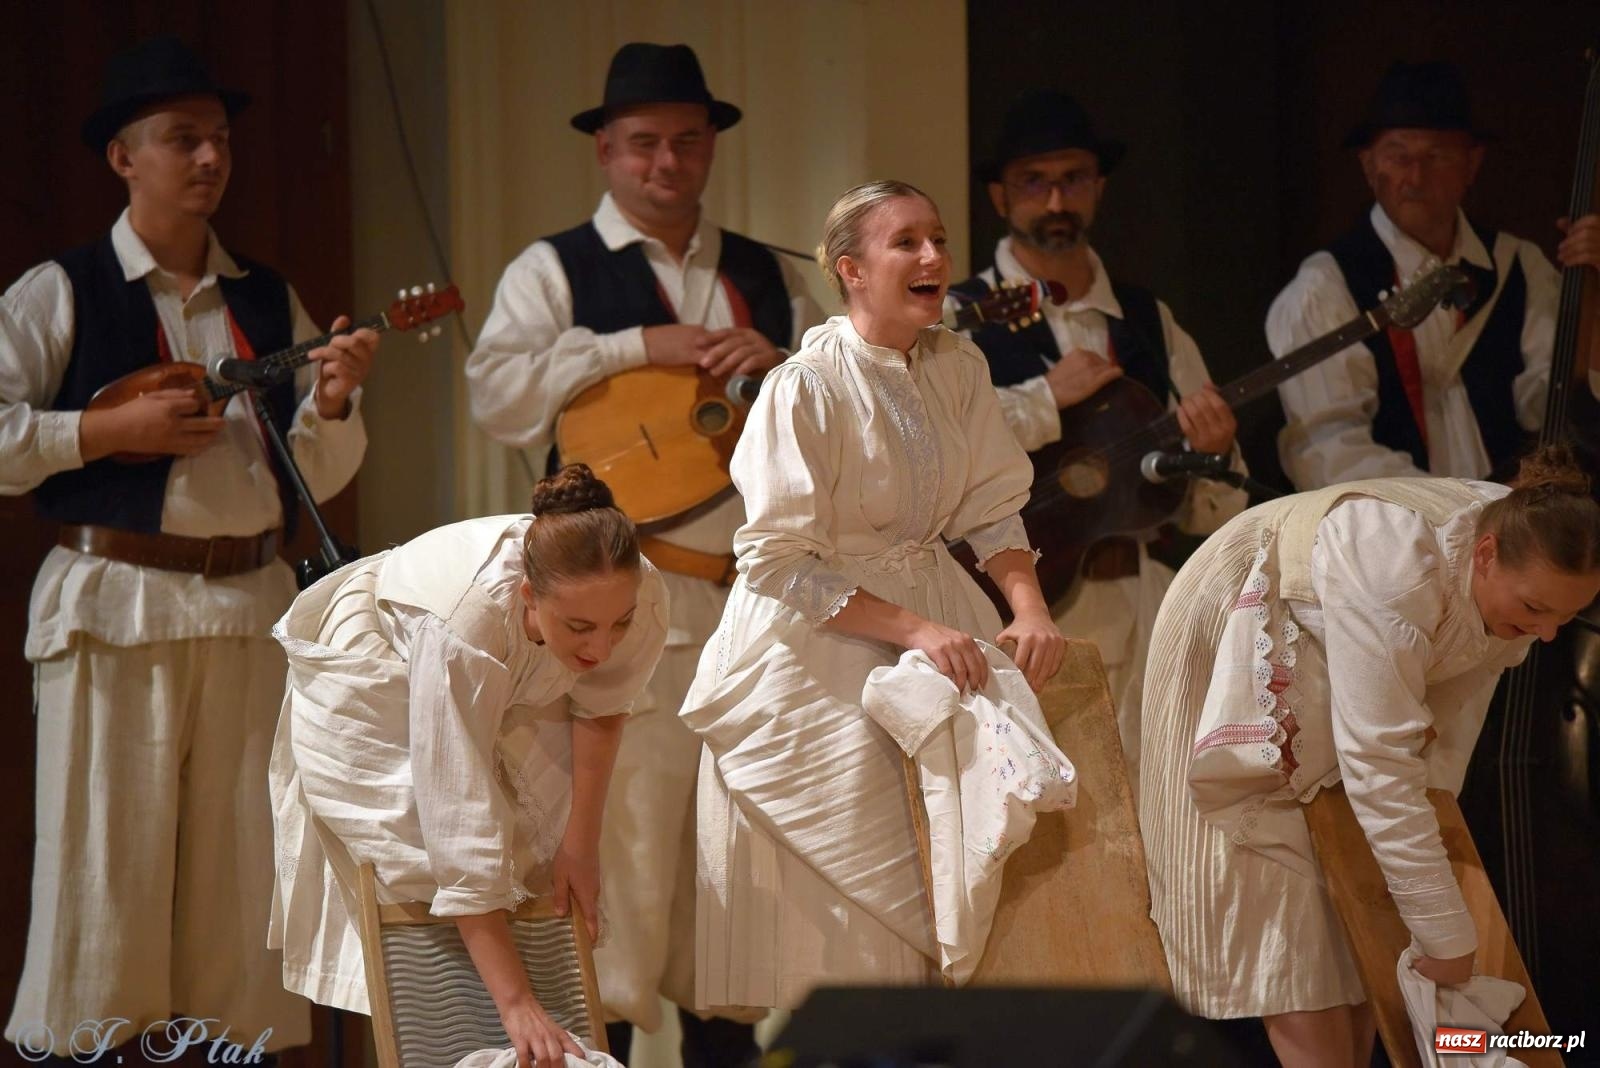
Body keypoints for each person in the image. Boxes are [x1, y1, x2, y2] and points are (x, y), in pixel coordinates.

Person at [0, 37, 377, 1059]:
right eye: (182, 140)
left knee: (238, 874)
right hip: (114, 601)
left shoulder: (263, 299)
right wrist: (96, 431)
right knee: (103, 865)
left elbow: (312, 468)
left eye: (218, 139)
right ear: (124, 158)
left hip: (246, 602)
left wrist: (333, 397)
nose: (208, 158)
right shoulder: (62, 290)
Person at [464, 41, 820, 1065]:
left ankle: (727, 1047)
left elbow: (830, 420)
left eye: (687, 142)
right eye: (644, 145)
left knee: (734, 857)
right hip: (617, 611)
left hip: (744, 607)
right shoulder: (555, 267)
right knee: (618, 851)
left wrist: (785, 367)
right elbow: (496, 392)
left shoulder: (762, 271)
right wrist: (632, 347)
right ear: (606, 153)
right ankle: (598, 1051)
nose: (667, 164)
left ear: (710, 148)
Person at [679, 179, 1068, 1010]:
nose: (933, 257)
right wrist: (913, 628)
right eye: (907, 244)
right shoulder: (806, 386)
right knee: (856, 928)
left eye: (938, 239)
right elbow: (778, 562)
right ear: (851, 269)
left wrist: (1027, 606)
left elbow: (995, 506)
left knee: (955, 899)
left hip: (936, 628)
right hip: (823, 652)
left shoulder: (959, 364)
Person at [1137, 444, 1600, 1067]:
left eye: (1564, 619)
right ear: (1484, 557)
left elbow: (1438, 738)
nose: (1546, 634)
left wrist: (1429, 891)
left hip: (1351, 648)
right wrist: (1444, 927)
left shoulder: (1524, 546)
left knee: (1366, 942)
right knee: (1295, 927)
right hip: (1250, 623)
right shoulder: (1398, 566)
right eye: (1537, 611)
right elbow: (1381, 764)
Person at [269, 463, 669, 1068]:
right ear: (530, 596)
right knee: (422, 864)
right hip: (381, 661)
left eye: (620, 625)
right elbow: (456, 821)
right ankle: (476, 1025)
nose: (601, 647)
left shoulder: (636, 589)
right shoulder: (467, 624)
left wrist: (579, 846)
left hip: (511, 666)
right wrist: (514, 1006)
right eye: (581, 627)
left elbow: (603, 706)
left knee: (542, 860)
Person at [948, 89, 1246, 790]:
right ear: (1000, 196)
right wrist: (1042, 400)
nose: (1056, 201)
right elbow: (930, 451)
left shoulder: (1147, 319)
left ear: (1099, 187)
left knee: (1155, 804)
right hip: (1010, 613)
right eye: (1034, 182)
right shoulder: (955, 318)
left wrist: (1216, 452)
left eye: (1074, 179)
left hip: (1143, 606)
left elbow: (1214, 509)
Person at [1268, 60, 1600, 491]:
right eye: (1398, 155)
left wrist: (1595, 296)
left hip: (1515, 538)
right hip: (1393, 540)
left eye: (1437, 155)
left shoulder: (1518, 264)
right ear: (1369, 166)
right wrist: (1460, 511)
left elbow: (1554, 405)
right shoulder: (1325, 288)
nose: (1415, 177)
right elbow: (1329, 453)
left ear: (1471, 164)